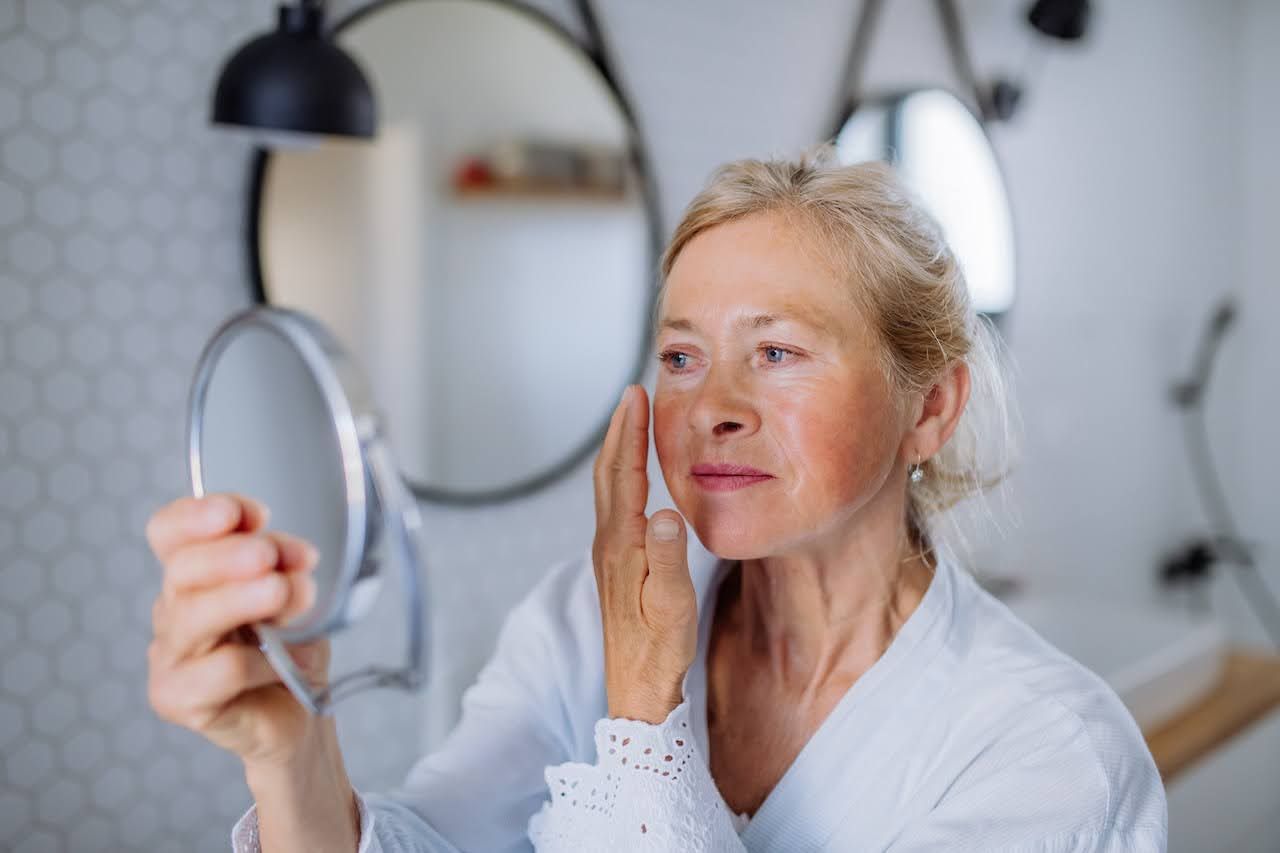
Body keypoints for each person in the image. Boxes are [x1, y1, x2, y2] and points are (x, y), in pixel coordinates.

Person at [145, 146, 1167, 852]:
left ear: (928, 409)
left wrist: (643, 715)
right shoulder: (577, 623)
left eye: (775, 351)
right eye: (681, 355)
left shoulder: (1045, 754)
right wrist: (290, 753)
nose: (711, 405)